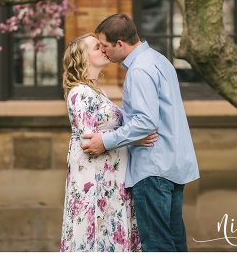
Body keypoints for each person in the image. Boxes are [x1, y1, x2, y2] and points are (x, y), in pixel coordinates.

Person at [82, 14, 199, 252]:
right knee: (175, 240)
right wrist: (133, 130)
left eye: (105, 46)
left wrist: (105, 141)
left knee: (156, 244)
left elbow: (146, 121)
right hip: (174, 165)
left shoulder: (139, 70)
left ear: (120, 44)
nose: (104, 52)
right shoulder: (158, 60)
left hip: (153, 169)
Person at [60, 34, 158, 251]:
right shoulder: (80, 93)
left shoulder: (98, 92)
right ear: (83, 58)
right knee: (96, 236)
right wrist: (134, 139)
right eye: (97, 47)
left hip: (110, 179)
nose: (104, 49)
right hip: (95, 182)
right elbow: (90, 142)